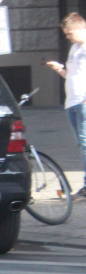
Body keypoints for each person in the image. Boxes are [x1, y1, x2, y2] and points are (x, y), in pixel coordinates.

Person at [46, 12, 86, 199]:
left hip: (83, 102)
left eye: (69, 33)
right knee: (81, 144)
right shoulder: (74, 49)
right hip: (72, 102)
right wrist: (59, 69)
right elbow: (71, 75)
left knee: (85, 145)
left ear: (80, 28)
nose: (67, 37)